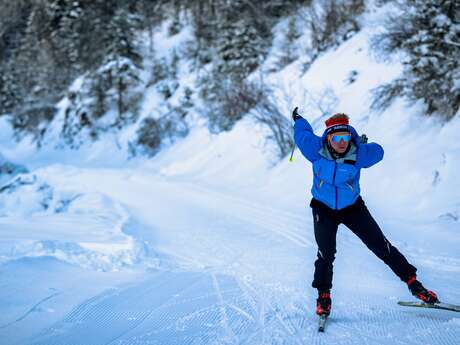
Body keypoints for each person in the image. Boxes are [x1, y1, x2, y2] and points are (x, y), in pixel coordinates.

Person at [292, 108, 439, 317]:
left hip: (353, 207)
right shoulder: (314, 149)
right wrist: (298, 119)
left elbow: (379, 151)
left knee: (381, 245)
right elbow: (301, 134)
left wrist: (362, 146)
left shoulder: (359, 153)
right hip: (323, 207)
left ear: (350, 136)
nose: (342, 142)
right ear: (328, 138)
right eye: (337, 137)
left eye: (346, 137)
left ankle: (414, 284)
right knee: (326, 253)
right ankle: (323, 296)